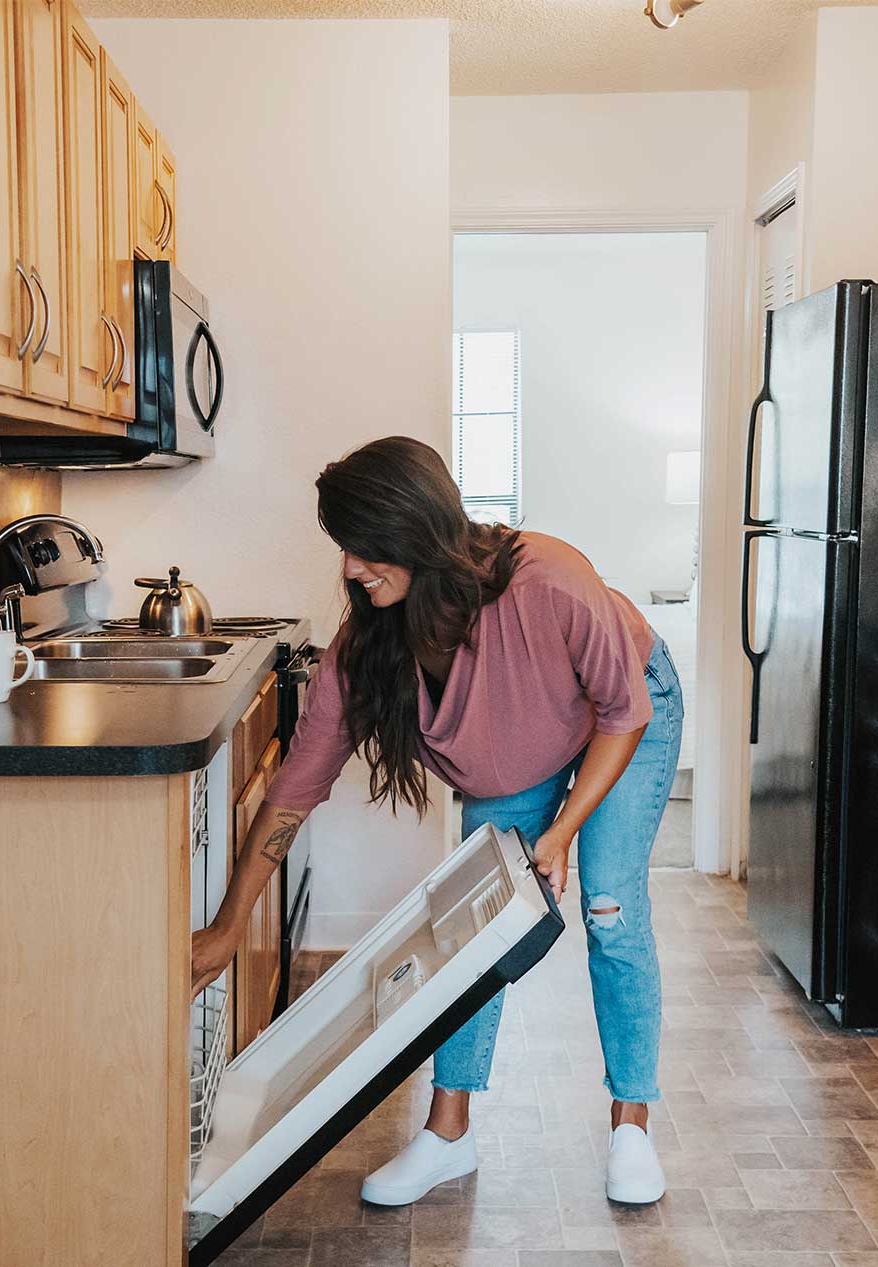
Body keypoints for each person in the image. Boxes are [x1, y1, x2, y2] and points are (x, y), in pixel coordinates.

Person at [190, 435, 682, 1207]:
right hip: (522, 750)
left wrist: (563, 832)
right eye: (344, 546)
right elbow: (294, 790)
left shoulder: (549, 581)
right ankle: (449, 1133)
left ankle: (631, 1124)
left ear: (414, 529)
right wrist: (227, 926)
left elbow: (623, 710)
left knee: (609, 903)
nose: (350, 566)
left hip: (625, 714)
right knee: (472, 924)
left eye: (364, 545)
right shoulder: (366, 648)